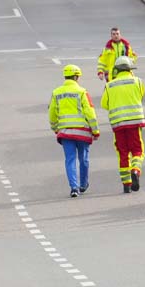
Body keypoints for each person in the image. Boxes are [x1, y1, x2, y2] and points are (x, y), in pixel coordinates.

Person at [48, 64, 99, 198]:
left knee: (70, 159)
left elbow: (52, 113)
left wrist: (55, 128)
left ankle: (74, 188)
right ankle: (83, 184)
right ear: (76, 77)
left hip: (66, 132)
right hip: (82, 132)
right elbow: (90, 113)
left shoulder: (56, 92)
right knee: (84, 158)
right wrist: (95, 130)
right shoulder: (82, 92)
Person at [101, 56, 145, 194]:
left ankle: (126, 184)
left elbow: (104, 104)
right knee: (137, 151)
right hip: (134, 122)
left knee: (122, 153)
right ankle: (135, 170)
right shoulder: (137, 81)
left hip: (118, 124)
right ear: (130, 69)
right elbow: (141, 95)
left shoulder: (109, 86)